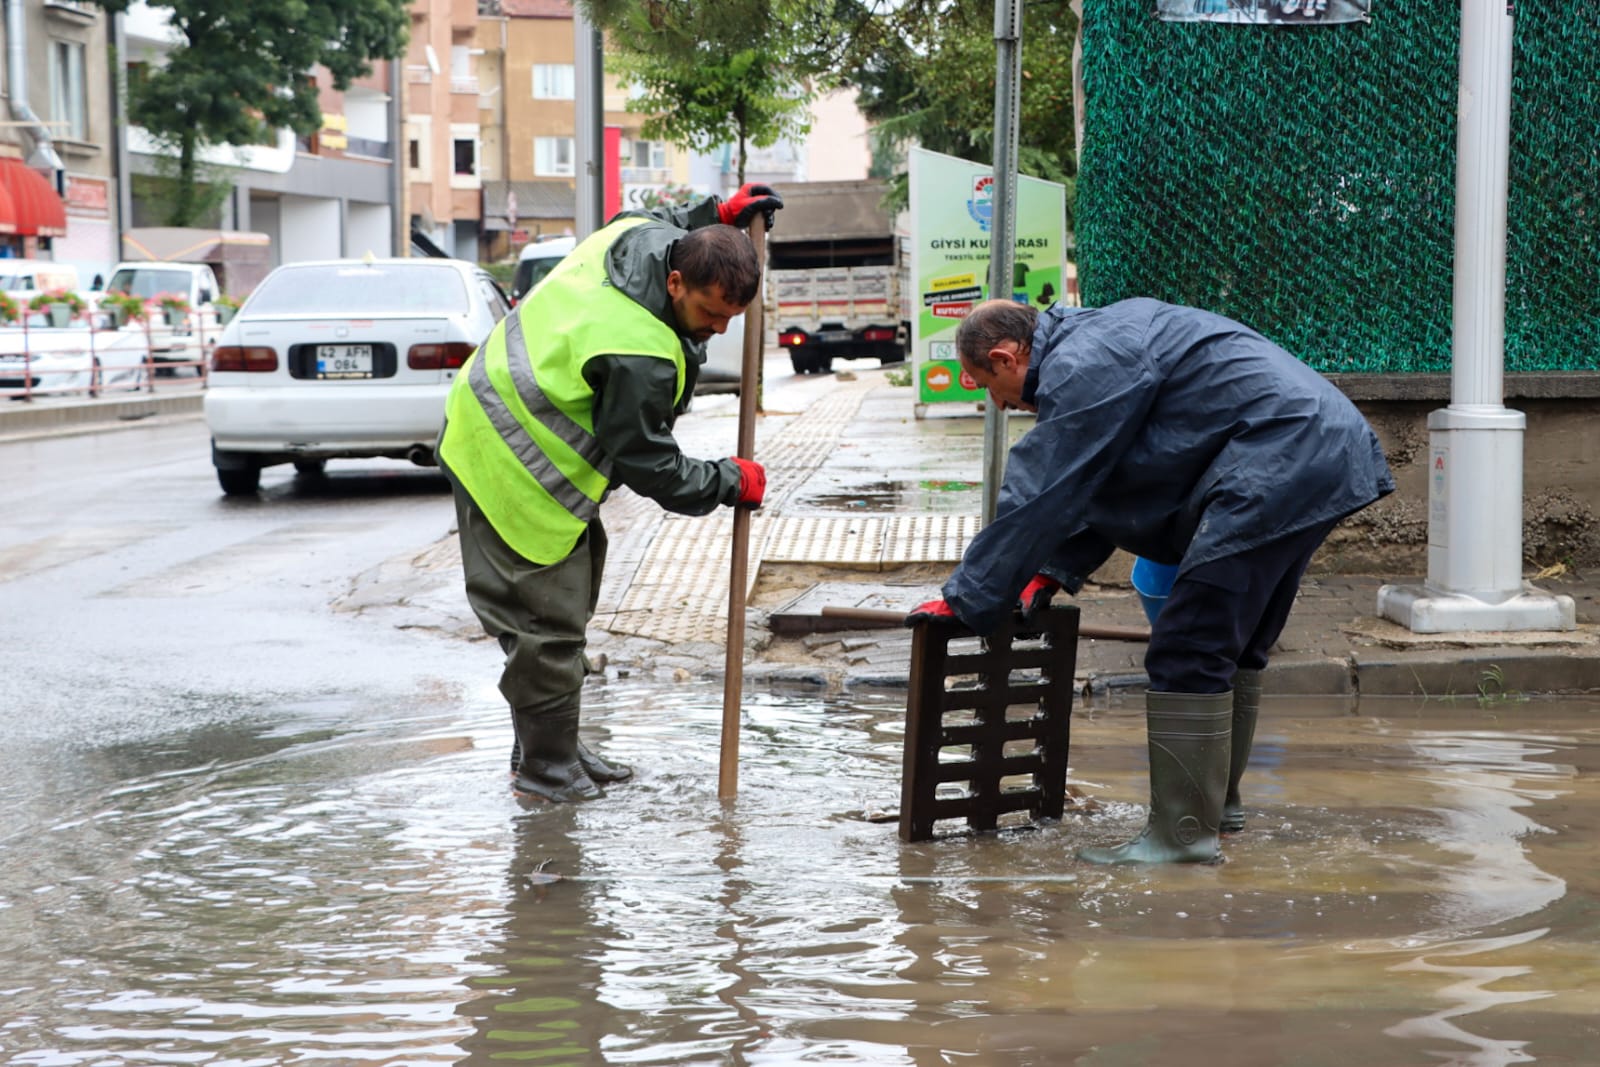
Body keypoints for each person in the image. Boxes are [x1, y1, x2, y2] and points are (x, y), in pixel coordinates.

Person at [907, 298, 1394, 864]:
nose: (999, 403)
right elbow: (1104, 473)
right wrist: (1048, 571)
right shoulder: (1103, 342)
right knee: (1232, 645)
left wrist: (968, 598)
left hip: (1277, 458)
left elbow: (1043, 481)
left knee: (1187, 648)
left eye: (990, 388)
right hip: (1317, 450)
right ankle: (1218, 812)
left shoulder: (1083, 361)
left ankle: (1181, 840)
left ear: (1005, 356)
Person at [438, 184, 783, 803]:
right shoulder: (639, 353)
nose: (720, 327)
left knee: (571, 594)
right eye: (711, 313)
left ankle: (553, 745)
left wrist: (719, 214)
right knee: (548, 620)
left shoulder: (635, 240)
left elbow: (666, 218)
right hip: (510, 456)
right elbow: (651, 467)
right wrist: (729, 481)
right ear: (676, 282)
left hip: (491, 410)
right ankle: (546, 771)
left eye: (733, 317)